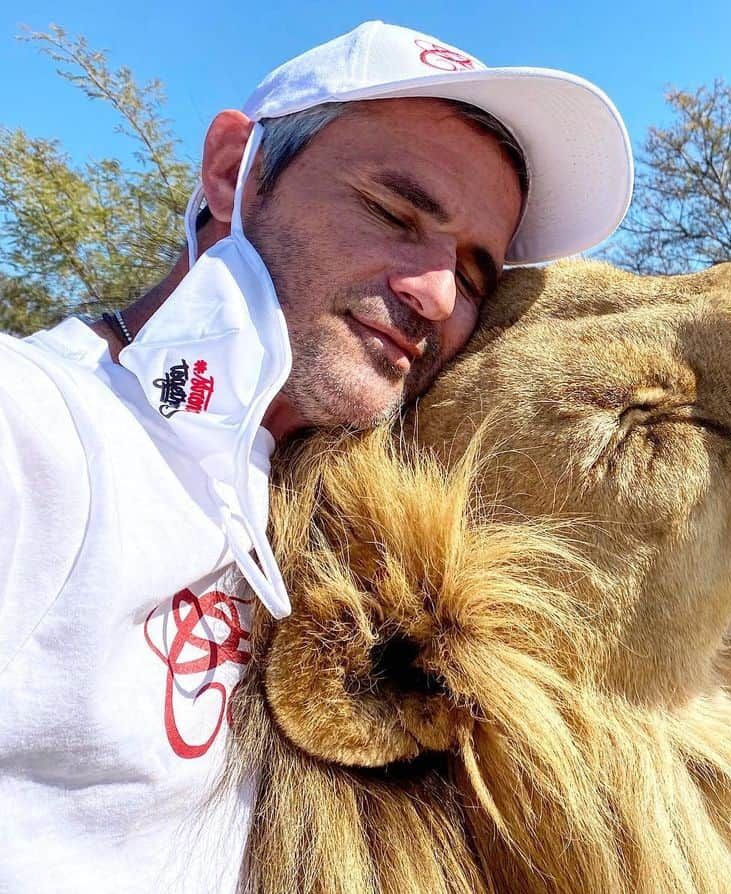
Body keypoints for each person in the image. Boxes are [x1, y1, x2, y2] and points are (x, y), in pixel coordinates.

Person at [0, 20, 633, 892]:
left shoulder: (337, 519)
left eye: (478, 276)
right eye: (394, 212)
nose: (437, 296)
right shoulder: (37, 433)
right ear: (233, 172)